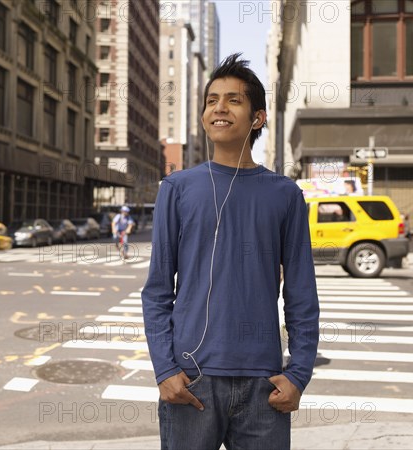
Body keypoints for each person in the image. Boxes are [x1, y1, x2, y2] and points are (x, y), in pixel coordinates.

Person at [142, 54, 319, 450]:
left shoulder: (285, 195)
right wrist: (164, 369)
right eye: (211, 100)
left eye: (233, 100)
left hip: (265, 385)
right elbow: (156, 291)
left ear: (258, 118)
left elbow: (302, 294)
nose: (219, 107)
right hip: (190, 380)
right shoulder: (177, 189)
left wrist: (299, 373)